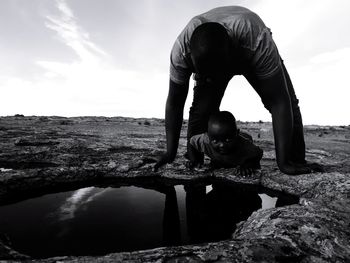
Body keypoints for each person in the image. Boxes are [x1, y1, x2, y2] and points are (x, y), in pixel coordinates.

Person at [154, 6, 322, 175]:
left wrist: (284, 163)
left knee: (290, 104)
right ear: (191, 58)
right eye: (206, 75)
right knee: (201, 110)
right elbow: (175, 103)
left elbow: (279, 102)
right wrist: (170, 153)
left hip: (247, 47)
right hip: (216, 56)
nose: (212, 80)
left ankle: (295, 160)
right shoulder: (180, 53)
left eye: (215, 74)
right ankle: (195, 159)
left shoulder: (256, 40)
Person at [188, 111, 263, 176]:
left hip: (244, 137)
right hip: (220, 159)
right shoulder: (205, 140)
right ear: (208, 136)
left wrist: (247, 165)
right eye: (215, 141)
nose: (222, 145)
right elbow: (191, 142)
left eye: (227, 140)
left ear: (236, 134)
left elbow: (258, 153)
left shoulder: (245, 145)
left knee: (246, 137)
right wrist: (194, 160)